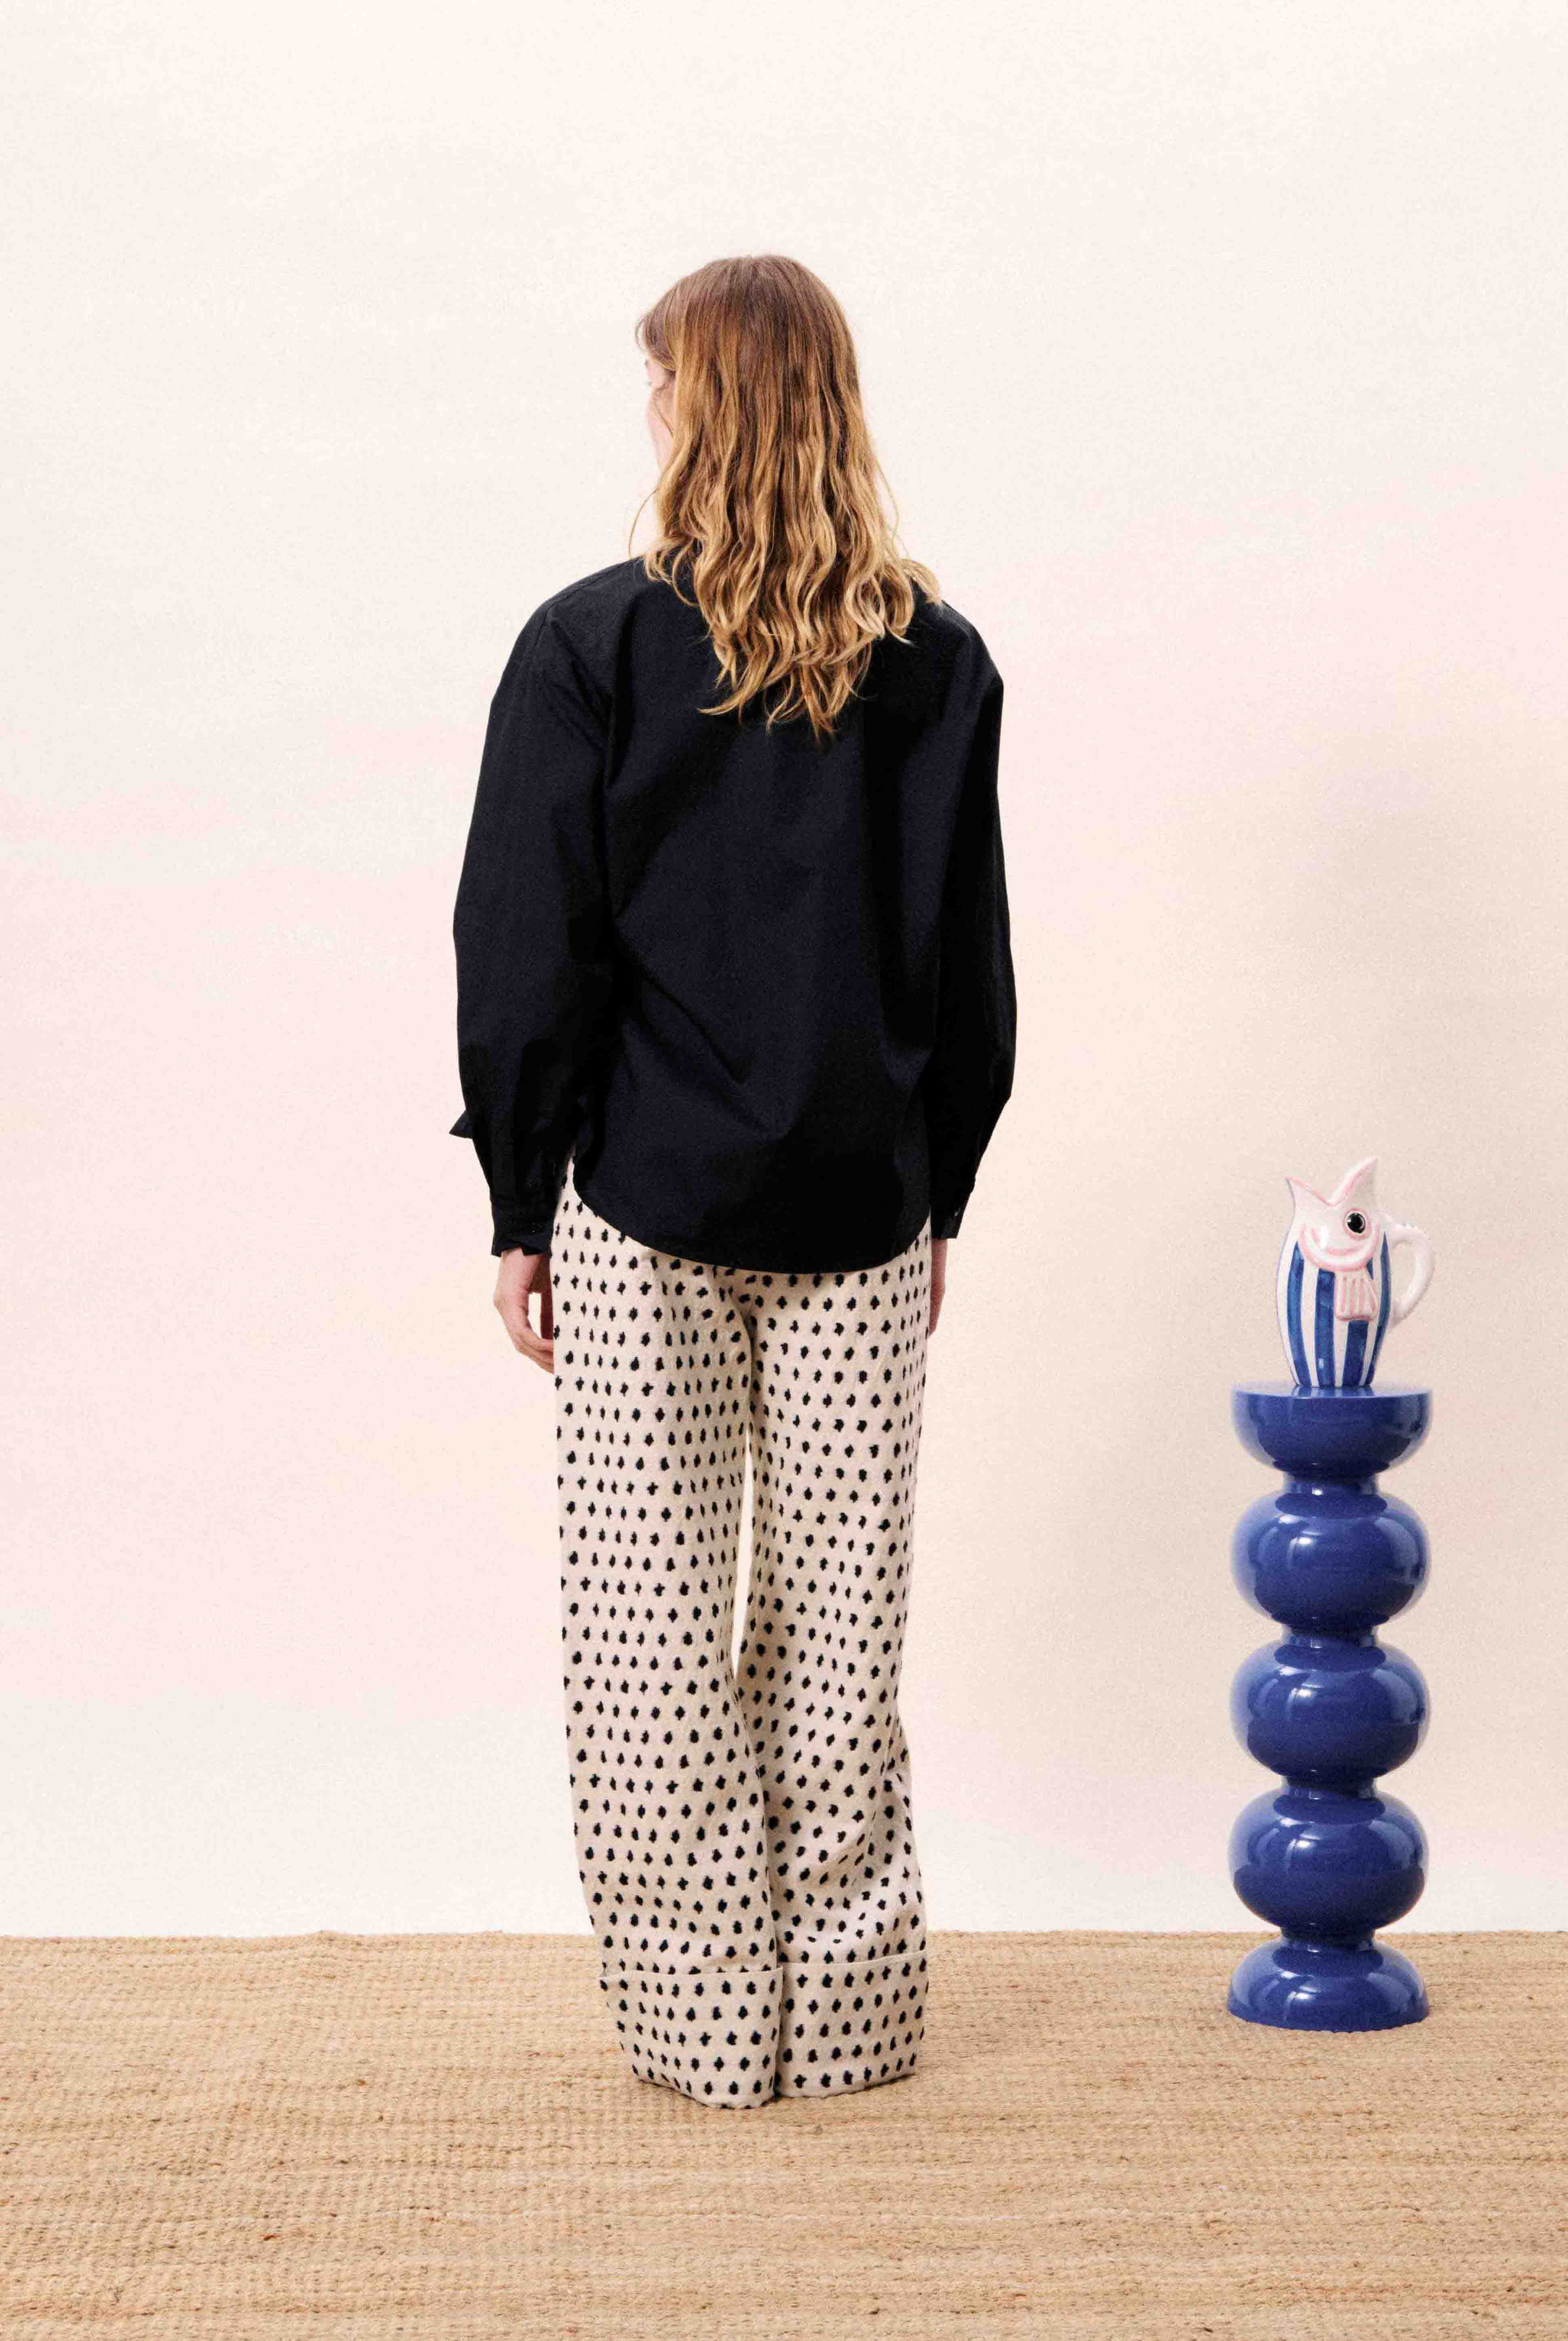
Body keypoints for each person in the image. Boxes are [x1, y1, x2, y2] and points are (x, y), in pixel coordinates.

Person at [450, 254, 1017, 2109]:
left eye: (662, 389)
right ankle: (846, 2031)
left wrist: (520, 1200)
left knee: (652, 1645)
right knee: (842, 1651)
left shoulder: (587, 648)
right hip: (866, 1220)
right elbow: (973, 972)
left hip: (642, 1209)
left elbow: (526, 950)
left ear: (693, 407)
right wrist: (941, 1192)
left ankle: (708, 2036)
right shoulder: (941, 664)